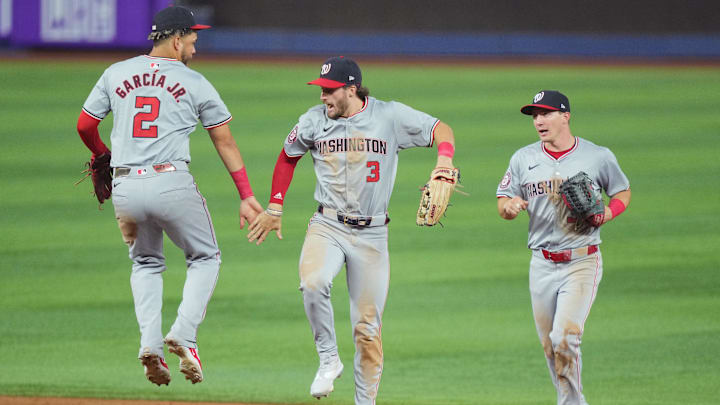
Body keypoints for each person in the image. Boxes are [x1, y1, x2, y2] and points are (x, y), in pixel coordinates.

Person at [247, 56, 457, 404]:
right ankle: (328, 359)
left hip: (373, 236)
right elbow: (288, 156)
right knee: (312, 282)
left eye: (329, 91)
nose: (322, 97)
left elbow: (441, 130)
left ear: (351, 89)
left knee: (367, 332)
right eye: (321, 90)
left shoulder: (389, 116)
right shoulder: (313, 121)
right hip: (327, 224)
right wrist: (275, 206)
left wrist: (444, 159)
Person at [76, 6, 263, 386]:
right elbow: (223, 139)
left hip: (125, 187)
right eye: (192, 40)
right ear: (177, 40)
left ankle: (151, 346)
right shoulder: (194, 82)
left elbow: (85, 125)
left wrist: (99, 154)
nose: (194, 48)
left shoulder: (116, 72)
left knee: (145, 263)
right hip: (171, 182)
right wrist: (245, 194)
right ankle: (184, 334)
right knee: (206, 256)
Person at [496, 90, 631, 405]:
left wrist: (610, 213)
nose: (539, 121)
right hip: (541, 264)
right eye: (534, 116)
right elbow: (502, 201)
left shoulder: (598, 156)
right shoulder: (523, 158)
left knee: (565, 337)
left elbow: (622, 191)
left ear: (565, 116)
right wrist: (510, 207)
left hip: (582, 261)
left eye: (545, 113)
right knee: (550, 346)